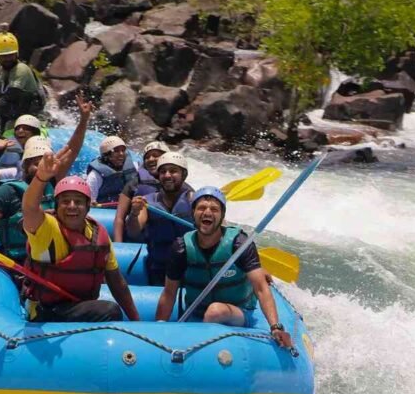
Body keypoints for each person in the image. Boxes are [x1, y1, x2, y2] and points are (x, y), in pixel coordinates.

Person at [0, 97, 91, 283]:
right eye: (36, 162)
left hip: (50, 257)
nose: (42, 167)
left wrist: (84, 119)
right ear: (26, 165)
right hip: (18, 260)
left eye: (45, 162)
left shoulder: (54, 182)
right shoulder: (6, 192)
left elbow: (73, 149)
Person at [154, 187, 293, 349]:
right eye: (201, 208)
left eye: (214, 209)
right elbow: (169, 292)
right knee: (212, 311)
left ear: (222, 216)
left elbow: (261, 288)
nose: (207, 212)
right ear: (193, 213)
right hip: (196, 316)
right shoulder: (181, 248)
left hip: (238, 313)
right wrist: (159, 329)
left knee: (215, 311)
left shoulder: (239, 244)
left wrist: (275, 327)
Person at [21, 152, 140, 323]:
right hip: (45, 310)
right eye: (65, 201)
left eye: (78, 202)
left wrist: (136, 322)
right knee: (110, 310)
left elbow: (117, 283)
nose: (71, 206)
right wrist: (41, 178)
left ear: (87, 207)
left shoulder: (98, 233)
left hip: (78, 306)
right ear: (56, 206)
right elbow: (30, 208)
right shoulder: (47, 228)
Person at [124, 152, 195, 286]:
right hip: (160, 268)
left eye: (173, 171)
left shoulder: (194, 200)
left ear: (184, 175)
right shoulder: (147, 202)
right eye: (163, 171)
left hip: (191, 267)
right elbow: (133, 232)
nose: (167, 175)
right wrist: (133, 213)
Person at [0, 25, 47, 139]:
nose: (8, 59)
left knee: (4, 106)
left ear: (16, 54)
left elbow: (10, 97)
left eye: (11, 55)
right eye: (4, 56)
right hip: (12, 119)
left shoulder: (21, 70)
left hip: (32, 119)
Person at [112, 141, 168, 241]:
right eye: (147, 157)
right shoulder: (134, 184)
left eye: (155, 155)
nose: (150, 159)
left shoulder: (175, 184)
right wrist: (118, 245)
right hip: (138, 237)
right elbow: (120, 218)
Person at [0, 114, 42, 183]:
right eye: (17, 128)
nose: (20, 131)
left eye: (26, 128)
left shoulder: (43, 150)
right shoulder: (6, 145)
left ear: (35, 132)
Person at [86, 136, 138, 204]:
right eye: (116, 151)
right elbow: (89, 202)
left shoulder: (135, 167)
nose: (121, 154)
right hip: (103, 211)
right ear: (106, 155)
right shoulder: (95, 176)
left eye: (123, 150)